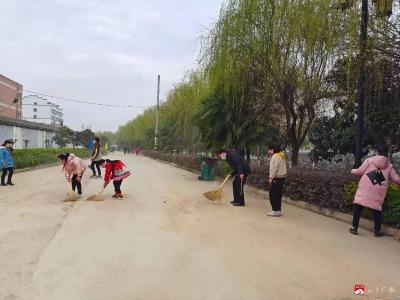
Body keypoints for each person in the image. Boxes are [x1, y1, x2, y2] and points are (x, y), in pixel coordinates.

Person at [349, 144, 400, 237]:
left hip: (366, 186)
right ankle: (377, 231)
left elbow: (360, 171)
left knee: (358, 206)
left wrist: (353, 171)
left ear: (377, 151)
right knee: (376, 209)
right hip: (379, 188)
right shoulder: (389, 165)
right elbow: (396, 179)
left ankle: (354, 228)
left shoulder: (370, 160)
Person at [268, 145, 287, 217]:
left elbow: (274, 168)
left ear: (272, 150)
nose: (268, 151)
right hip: (282, 177)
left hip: (276, 178)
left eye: (269, 150)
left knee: (273, 194)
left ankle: (274, 210)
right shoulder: (281, 155)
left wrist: (271, 177)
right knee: (278, 194)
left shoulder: (275, 156)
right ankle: (278, 210)